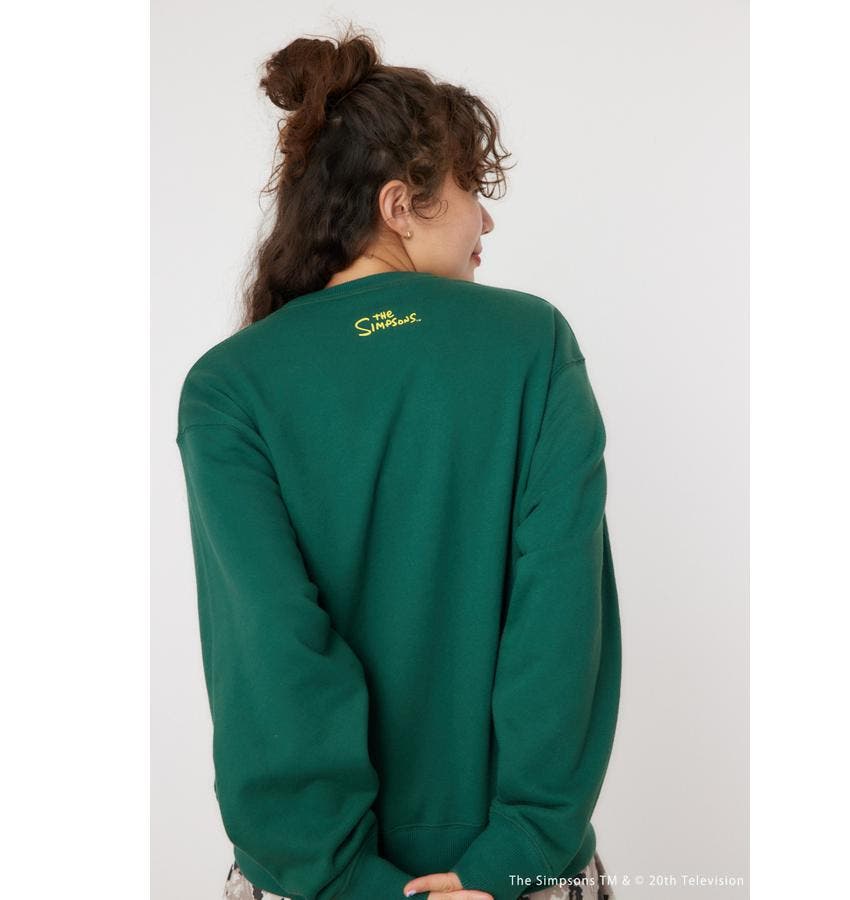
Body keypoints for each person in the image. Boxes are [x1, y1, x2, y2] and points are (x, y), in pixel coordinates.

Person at [175, 24, 621, 900]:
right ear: (398, 205)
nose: (485, 219)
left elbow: (270, 652)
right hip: (522, 875)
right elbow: (560, 625)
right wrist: (514, 854)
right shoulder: (533, 344)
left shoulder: (228, 387)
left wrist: (348, 880)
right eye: (469, 189)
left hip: (313, 883)